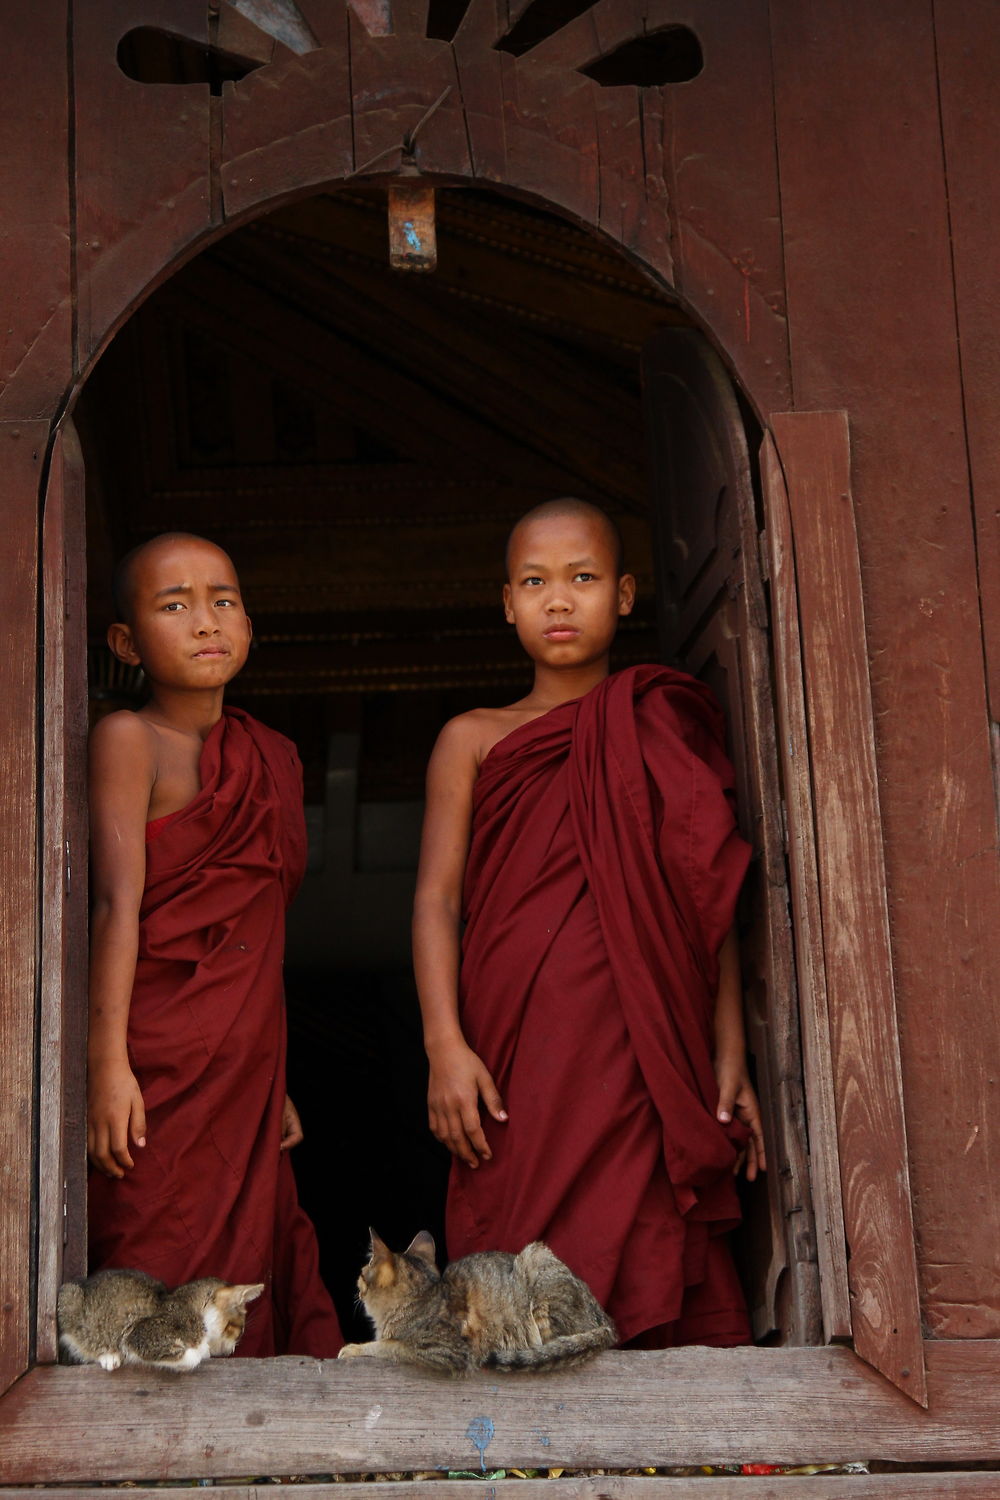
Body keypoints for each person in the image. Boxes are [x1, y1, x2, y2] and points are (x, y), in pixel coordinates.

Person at [412, 498, 766, 1348]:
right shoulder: (474, 737)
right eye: (536, 583)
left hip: (644, 1046)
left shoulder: (660, 726)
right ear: (507, 602)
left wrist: (729, 1052)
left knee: (642, 1230)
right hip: (516, 1045)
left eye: (583, 579)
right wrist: (443, 1046)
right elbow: (437, 901)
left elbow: (703, 901)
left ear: (626, 593)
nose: (559, 601)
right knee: (520, 1239)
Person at [86, 532, 343, 1358]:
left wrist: (275, 1080)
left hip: (242, 1071)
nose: (205, 622)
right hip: (156, 1060)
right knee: (153, 1250)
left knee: (246, 1276)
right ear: (126, 642)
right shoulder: (130, 740)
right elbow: (118, 905)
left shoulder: (272, 759)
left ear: (250, 622)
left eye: (222, 600)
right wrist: (106, 1064)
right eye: (174, 605)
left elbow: (255, 943)